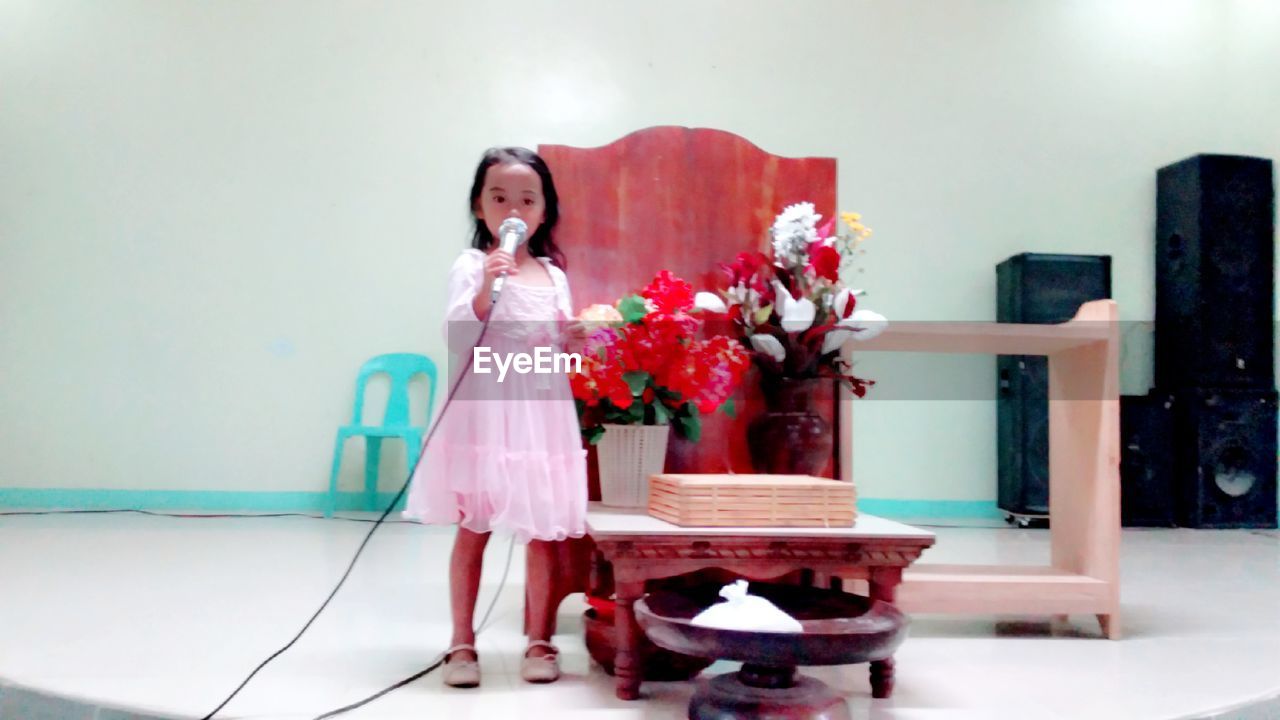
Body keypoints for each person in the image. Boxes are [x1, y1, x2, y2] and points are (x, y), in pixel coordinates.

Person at [404, 147, 587, 687]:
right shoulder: (471, 265)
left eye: (527, 199)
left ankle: (540, 640)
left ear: (544, 210)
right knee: (474, 526)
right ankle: (462, 642)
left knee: (541, 532)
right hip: (487, 414)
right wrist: (487, 286)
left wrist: (572, 338)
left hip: (540, 412)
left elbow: (558, 350)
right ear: (479, 206)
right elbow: (458, 337)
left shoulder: (554, 275)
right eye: (499, 197)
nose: (514, 208)